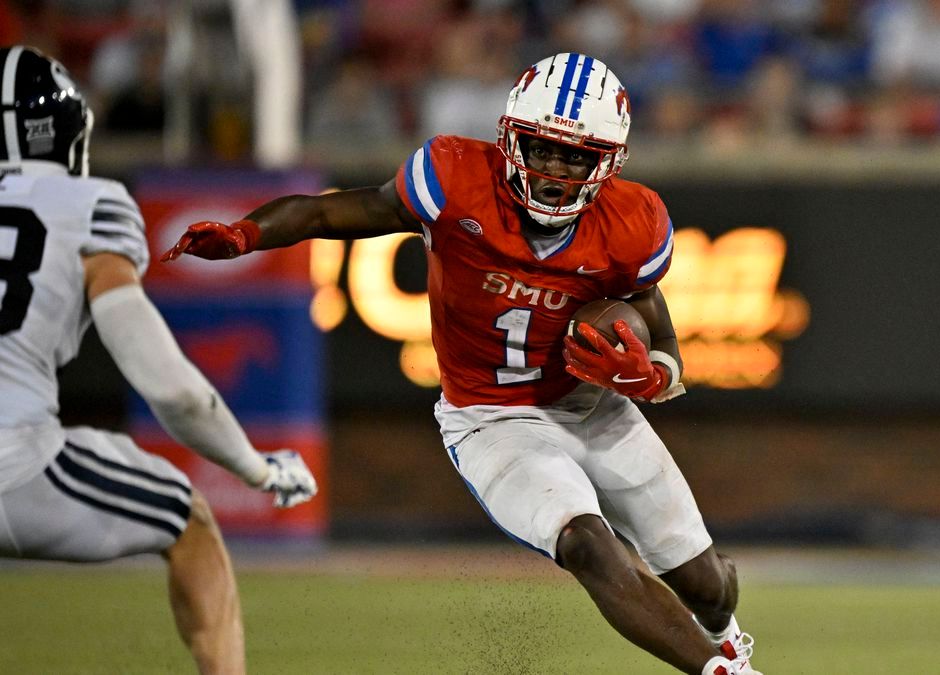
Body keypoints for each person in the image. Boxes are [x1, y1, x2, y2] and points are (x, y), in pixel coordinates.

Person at [163, 52, 758, 675]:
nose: (555, 168)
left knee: (709, 587)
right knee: (587, 544)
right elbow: (326, 211)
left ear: (607, 162)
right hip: (490, 418)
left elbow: (661, 337)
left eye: (577, 155)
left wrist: (653, 375)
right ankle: (727, 674)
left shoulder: (633, 222)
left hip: (593, 409)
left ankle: (724, 638)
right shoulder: (453, 177)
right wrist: (248, 233)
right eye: (541, 148)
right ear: (509, 139)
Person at [0, 46, 318, 674]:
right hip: (16, 463)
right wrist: (255, 470)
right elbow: (173, 391)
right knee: (188, 518)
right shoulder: (88, 205)